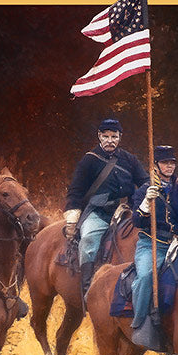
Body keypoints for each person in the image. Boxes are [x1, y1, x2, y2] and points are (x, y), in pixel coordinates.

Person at [63, 118, 149, 299]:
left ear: (120, 137)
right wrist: (72, 217)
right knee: (88, 241)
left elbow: (144, 182)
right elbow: (76, 190)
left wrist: (148, 194)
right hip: (98, 213)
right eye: (106, 136)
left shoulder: (129, 159)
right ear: (99, 136)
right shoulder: (89, 160)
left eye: (114, 136)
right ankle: (88, 291)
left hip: (126, 211)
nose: (110, 140)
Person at [130, 145, 178, 348]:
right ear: (156, 166)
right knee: (145, 276)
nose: (169, 166)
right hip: (149, 244)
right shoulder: (145, 190)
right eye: (165, 163)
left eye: (172, 163)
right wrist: (146, 203)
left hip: (175, 245)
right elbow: (137, 220)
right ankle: (140, 322)